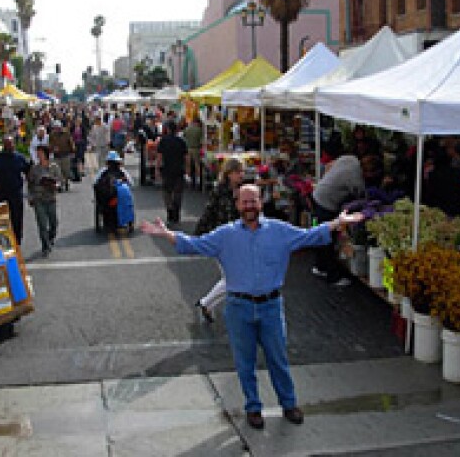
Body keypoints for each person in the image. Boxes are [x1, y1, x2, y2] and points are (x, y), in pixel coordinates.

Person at [141, 184, 363, 430]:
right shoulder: (225, 235)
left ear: (261, 202)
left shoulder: (280, 231)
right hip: (238, 308)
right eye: (245, 202)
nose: (249, 206)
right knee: (244, 363)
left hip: (271, 306)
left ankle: (288, 404)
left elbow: (309, 235)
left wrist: (338, 223)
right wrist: (166, 234)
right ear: (237, 205)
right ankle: (253, 407)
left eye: (253, 201)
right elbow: (194, 244)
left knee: (278, 359)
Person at [311, 154, 378, 286]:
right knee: (328, 238)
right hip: (327, 203)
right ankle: (332, 276)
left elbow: (329, 165)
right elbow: (362, 197)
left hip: (318, 193)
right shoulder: (357, 179)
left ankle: (320, 267)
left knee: (321, 234)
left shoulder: (350, 158)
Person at [193, 157, 244, 323]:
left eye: (241, 172)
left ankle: (207, 304)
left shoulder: (239, 191)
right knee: (232, 278)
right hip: (223, 239)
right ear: (229, 174)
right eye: (238, 172)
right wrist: (198, 235)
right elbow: (209, 212)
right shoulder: (220, 191)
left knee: (233, 277)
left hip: (235, 239)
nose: (241, 175)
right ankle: (206, 303)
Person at [0, 136, 30, 244]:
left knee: (17, 218)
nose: (10, 146)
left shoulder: (19, 158)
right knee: (2, 219)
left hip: (16, 192)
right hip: (2, 193)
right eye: (7, 144)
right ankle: (4, 241)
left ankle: (17, 240)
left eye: (11, 143)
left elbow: (28, 171)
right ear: (4, 145)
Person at [28, 145, 62, 257]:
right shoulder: (34, 169)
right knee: (42, 224)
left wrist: (55, 185)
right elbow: (30, 184)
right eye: (37, 153)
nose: (38, 155)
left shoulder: (54, 167)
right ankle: (45, 245)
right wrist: (30, 197)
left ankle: (50, 238)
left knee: (53, 223)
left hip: (51, 198)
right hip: (39, 199)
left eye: (40, 153)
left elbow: (59, 181)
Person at [156, 121, 188, 225]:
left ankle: (170, 210)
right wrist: (187, 169)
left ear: (168, 129)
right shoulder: (181, 141)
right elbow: (186, 157)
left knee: (167, 192)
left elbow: (159, 157)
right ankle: (176, 213)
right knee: (178, 192)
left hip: (167, 170)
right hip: (179, 170)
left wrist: (157, 169)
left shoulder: (163, 141)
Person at [93, 151, 133, 232]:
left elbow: (95, 183)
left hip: (105, 200)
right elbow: (131, 183)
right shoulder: (123, 171)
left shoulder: (102, 171)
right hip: (119, 199)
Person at [49, 120, 75, 191]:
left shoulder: (66, 133)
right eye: (55, 128)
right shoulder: (52, 135)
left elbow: (71, 142)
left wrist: (73, 151)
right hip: (56, 155)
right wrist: (52, 148)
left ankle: (66, 182)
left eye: (58, 128)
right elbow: (50, 144)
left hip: (65, 154)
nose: (56, 129)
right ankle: (60, 185)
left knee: (66, 171)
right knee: (58, 171)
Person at [182, 117, 203, 189]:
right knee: (197, 164)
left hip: (188, 148)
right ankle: (198, 179)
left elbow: (183, 136)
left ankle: (188, 179)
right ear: (197, 123)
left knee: (188, 164)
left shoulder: (187, 129)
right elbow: (201, 140)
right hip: (196, 149)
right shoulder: (199, 130)